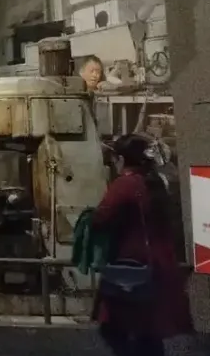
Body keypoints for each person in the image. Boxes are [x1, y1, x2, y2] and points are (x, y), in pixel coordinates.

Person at [91, 134, 192, 356]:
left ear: (120, 159)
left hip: (133, 267)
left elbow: (100, 218)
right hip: (160, 265)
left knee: (117, 331)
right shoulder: (156, 181)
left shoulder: (125, 184)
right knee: (149, 334)